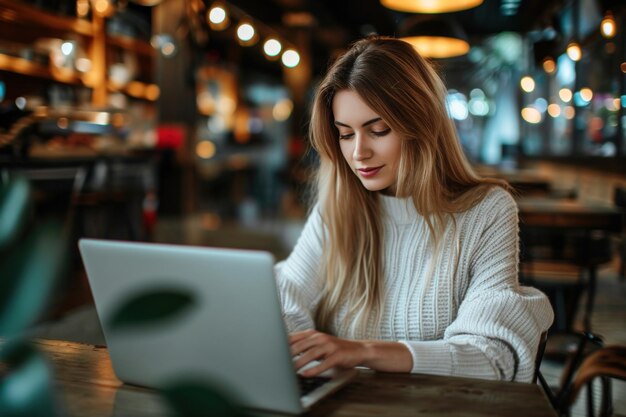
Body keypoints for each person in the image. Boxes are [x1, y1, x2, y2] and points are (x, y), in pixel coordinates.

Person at [274, 36, 554, 383]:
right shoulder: (339, 207)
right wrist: (296, 344)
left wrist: (363, 351)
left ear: (421, 125)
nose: (359, 152)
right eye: (346, 134)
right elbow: (285, 294)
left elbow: (491, 357)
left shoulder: (486, 212)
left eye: (378, 130)